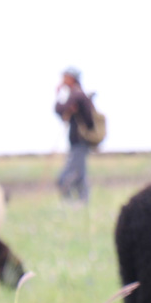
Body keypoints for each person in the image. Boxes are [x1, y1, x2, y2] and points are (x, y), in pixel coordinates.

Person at [55, 68, 96, 202]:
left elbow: (59, 109)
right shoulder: (79, 95)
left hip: (79, 142)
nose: (62, 80)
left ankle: (70, 204)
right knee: (80, 176)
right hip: (79, 143)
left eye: (65, 77)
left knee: (67, 177)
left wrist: (58, 94)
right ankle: (82, 205)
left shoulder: (77, 95)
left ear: (72, 78)